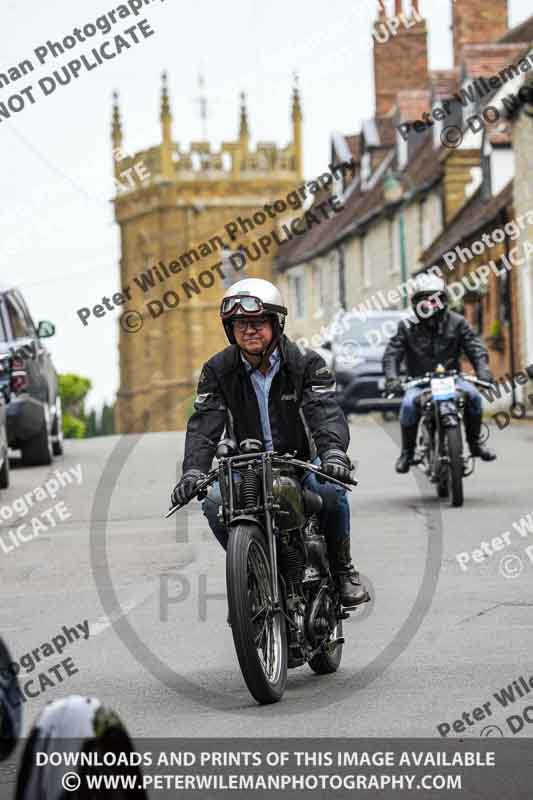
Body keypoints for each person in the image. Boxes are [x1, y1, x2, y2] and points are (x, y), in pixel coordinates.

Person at [170, 278, 369, 608]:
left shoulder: (306, 362)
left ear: (276, 323)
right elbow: (205, 424)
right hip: (244, 467)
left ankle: (343, 570)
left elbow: (324, 411)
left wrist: (333, 451)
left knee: (332, 492)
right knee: (215, 502)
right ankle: (250, 569)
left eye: (258, 322)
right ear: (229, 329)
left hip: (300, 461)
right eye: (239, 324)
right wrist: (192, 472)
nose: (249, 330)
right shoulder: (217, 370)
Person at [383, 274, 496, 474]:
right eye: (425, 298)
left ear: (443, 299)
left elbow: (475, 348)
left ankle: (475, 444)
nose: (430, 303)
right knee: (408, 406)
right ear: (416, 302)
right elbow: (392, 354)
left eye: (435, 297)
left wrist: (483, 370)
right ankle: (407, 453)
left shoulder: (458, 322)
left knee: (475, 398)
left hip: (453, 379)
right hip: (419, 383)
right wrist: (392, 378)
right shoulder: (406, 326)